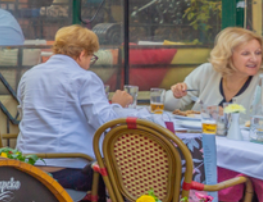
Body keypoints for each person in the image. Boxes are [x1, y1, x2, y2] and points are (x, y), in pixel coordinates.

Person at [16, 25, 159, 192]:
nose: (89, 64)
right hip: (67, 170)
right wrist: (117, 105)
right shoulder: (83, 78)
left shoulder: (30, 75)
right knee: (133, 171)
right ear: (82, 54)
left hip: (27, 167)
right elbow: (105, 122)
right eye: (91, 57)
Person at [167, 27, 263, 118]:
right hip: (198, 140)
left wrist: (227, 117)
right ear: (227, 55)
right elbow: (167, 106)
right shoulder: (206, 71)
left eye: (258, 53)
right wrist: (175, 95)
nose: (255, 59)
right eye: (246, 54)